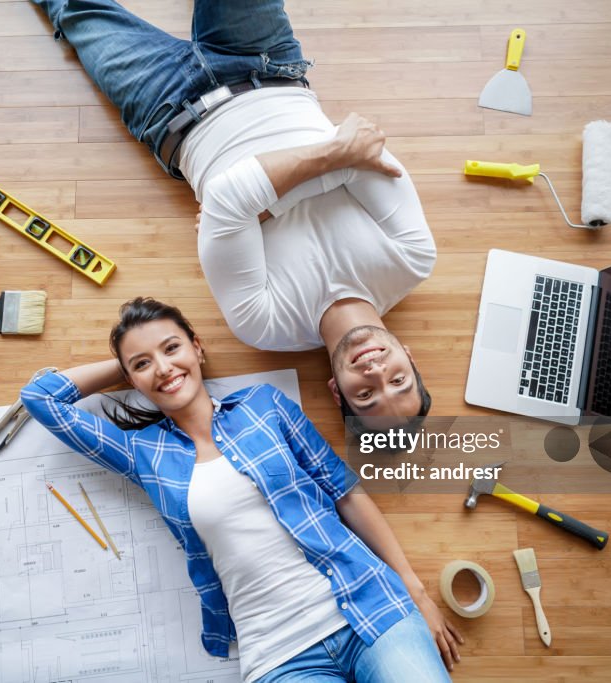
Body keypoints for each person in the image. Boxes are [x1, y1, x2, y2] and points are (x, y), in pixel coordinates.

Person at [30, 0, 438, 430]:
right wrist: (253, 214)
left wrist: (320, 168)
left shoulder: (265, 328)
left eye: (366, 395)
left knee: (71, 5)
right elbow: (362, 150)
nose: (376, 373)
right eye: (398, 380)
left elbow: (338, 161)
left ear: (337, 388)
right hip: (266, 62)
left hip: (164, 108)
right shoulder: (412, 260)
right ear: (409, 358)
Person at [20, 297, 462, 681]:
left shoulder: (264, 405)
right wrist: (128, 365)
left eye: (172, 348)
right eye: (143, 363)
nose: (163, 367)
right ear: (131, 379)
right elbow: (42, 398)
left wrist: (415, 590)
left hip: (370, 606)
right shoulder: (142, 453)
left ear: (198, 347)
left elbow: (346, 492)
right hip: (279, 654)